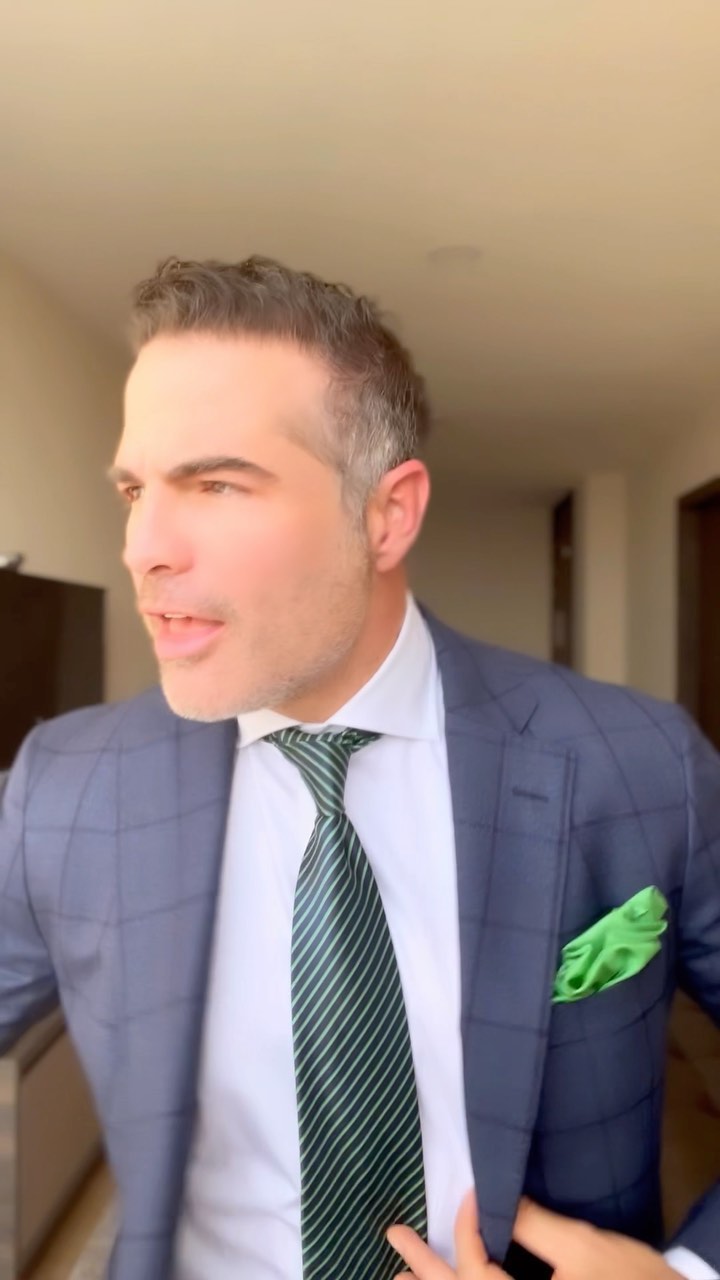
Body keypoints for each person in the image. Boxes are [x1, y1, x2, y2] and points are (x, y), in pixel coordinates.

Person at [0, 257, 718, 1280]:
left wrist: (688, 1275)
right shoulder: (66, 788)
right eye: (133, 489)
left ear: (388, 515)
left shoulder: (640, 762)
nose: (143, 546)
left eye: (215, 483)